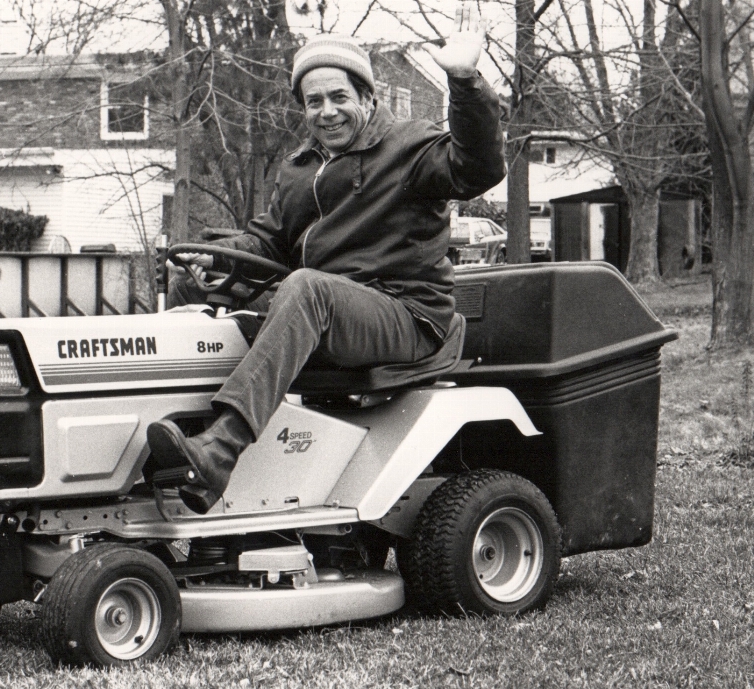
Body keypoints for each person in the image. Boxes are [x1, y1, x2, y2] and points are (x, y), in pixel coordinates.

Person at [147, 2, 506, 514]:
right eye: (313, 101)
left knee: (306, 287)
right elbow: (269, 244)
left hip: (406, 316)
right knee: (193, 282)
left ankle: (218, 451)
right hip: (326, 310)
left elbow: (479, 166)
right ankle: (154, 436)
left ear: (368, 96)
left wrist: (466, 82)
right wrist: (216, 260)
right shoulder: (299, 169)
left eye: (340, 97)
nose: (326, 111)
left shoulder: (410, 148)